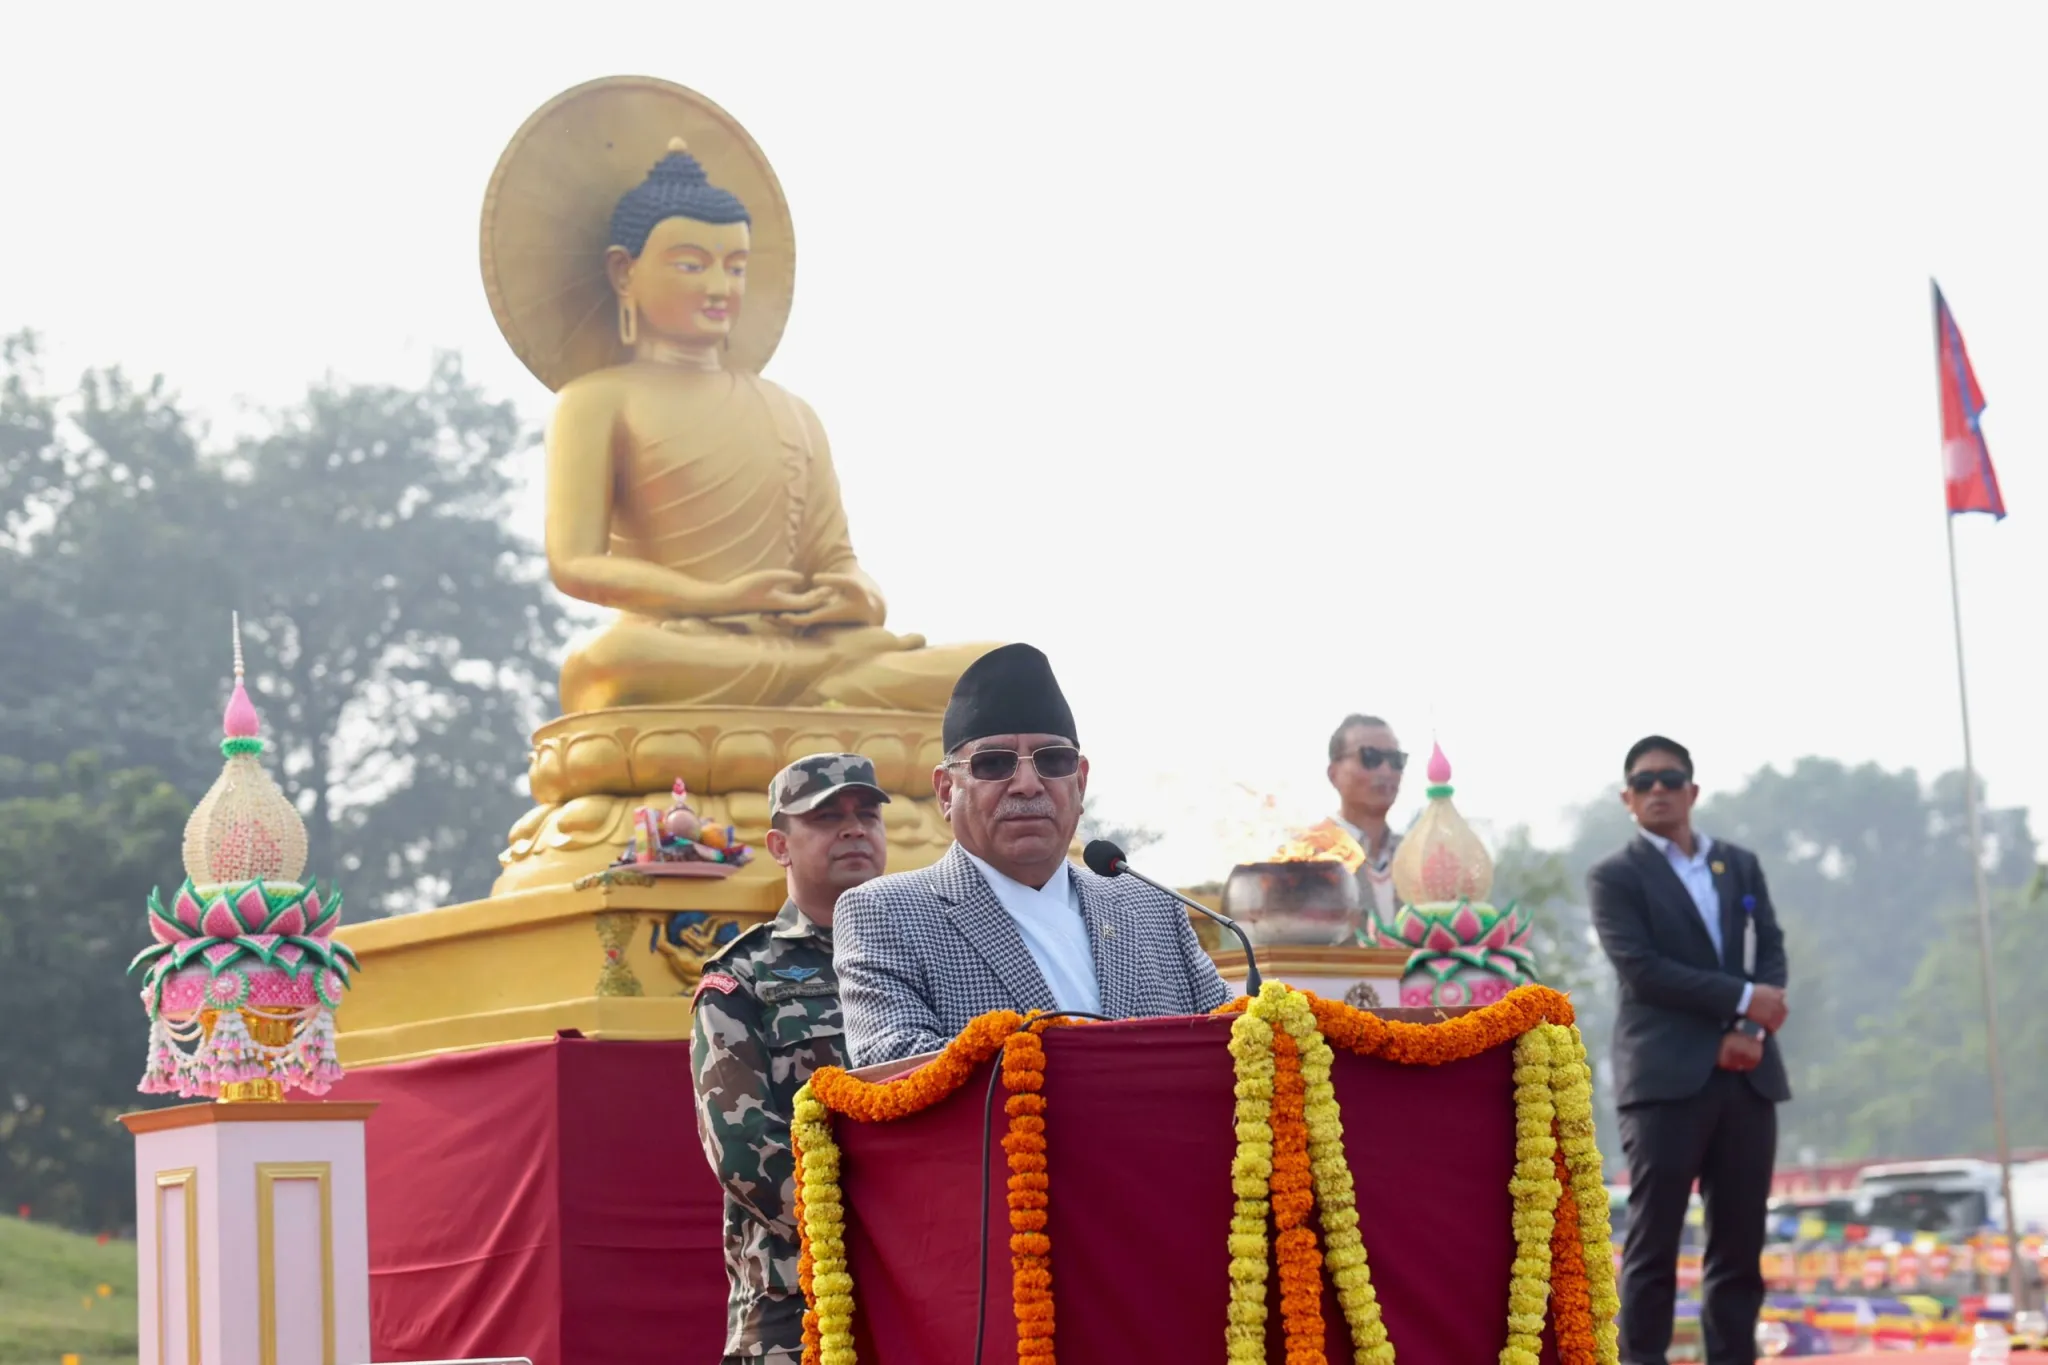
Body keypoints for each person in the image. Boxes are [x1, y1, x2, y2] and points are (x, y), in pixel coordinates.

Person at [834, 643, 1233, 1067]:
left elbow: (1231, 1044)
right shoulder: (887, 913)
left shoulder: (1154, 909)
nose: (1028, 783)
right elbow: (898, 1067)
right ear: (947, 791)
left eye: (1053, 760)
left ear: (1079, 782)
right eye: (993, 764)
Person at [1587, 736, 1790, 1365]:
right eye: (1643, 782)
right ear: (1627, 798)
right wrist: (1740, 1002)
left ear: (1692, 792)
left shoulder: (1738, 864)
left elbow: (1772, 950)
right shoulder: (1615, 877)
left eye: (1669, 779)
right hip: (1665, 1080)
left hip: (1747, 1073)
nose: (1657, 790)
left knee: (1737, 1247)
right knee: (1654, 1247)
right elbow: (1643, 970)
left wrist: (1752, 1031)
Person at [690, 753, 891, 1365]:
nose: (854, 828)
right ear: (779, 844)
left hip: (931, 1278)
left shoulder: (925, 955)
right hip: (794, 1303)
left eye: (867, 814)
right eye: (827, 816)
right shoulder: (741, 980)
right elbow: (744, 1151)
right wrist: (890, 1220)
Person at [1307, 714, 1406, 927]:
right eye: (1371, 757)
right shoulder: (1307, 858)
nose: (1386, 771)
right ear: (1333, 774)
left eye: (1396, 760)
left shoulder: (1417, 855)